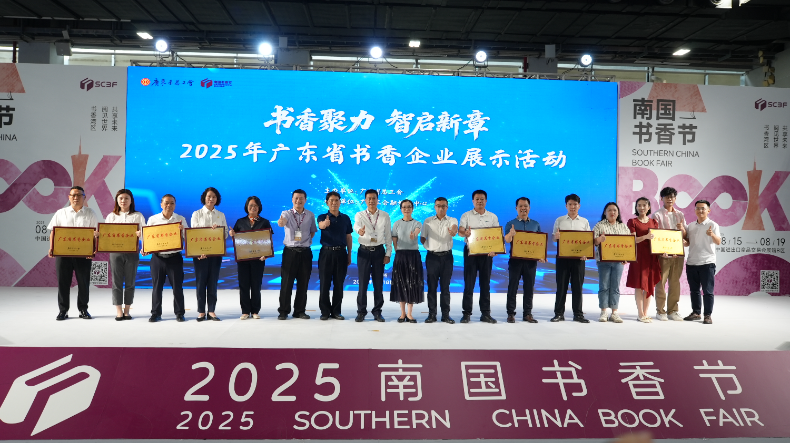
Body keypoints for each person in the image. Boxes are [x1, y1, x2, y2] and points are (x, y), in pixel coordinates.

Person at [47, 185, 100, 321]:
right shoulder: (61, 213)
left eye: (79, 195)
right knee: (63, 283)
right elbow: (53, 232)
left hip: (84, 254)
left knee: (84, 283)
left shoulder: (91, 213)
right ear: (69, 197)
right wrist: (52, 248)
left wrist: (93, 249)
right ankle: (63, 310)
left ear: (84, 197)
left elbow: (96, 234)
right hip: (63, 254)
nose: (76, 197)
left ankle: (83, 309)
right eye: (73, 195)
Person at [144, 194, 188, 322]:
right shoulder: (153, 219)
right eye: (166, 203)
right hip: (158, 258)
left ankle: (179, 313)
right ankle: (155, 313)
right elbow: (148, 238)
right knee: (157, 287)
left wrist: (183, 230)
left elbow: (188, 238)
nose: (169, 205)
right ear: (161, 204)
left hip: (175, 258)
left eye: (172, 203)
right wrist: (145, 249)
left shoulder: (180, 219)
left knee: (177, 287)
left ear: (175, 205)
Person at [104, 189, 145, 321]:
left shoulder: (138, 216)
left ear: (131, 200)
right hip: (115, 253)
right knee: (116, 282)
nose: (123, 201)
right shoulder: (111, 216)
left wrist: (141, 235)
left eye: (126, 198)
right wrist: (100, 235)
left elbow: (146, 235)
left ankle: (127, 310)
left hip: (132, 252)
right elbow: (106, 235)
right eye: (121, 198)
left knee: (130, 282)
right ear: (117, 200)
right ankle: (118, 311)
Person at [458, 190, 499, 324]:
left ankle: (485, 313)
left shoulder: (492, 216)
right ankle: (466, 313)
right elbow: (460, 231)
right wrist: (465, 232)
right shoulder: (466, 215)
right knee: (469, 283)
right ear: (473, 201)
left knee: (485, 284)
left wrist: (495, 250)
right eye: (477, 199)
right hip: (471, 252)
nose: (479, 201)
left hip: (487, 254)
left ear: (486, 201)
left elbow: (496, 235)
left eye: (482, 199)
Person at [277, 189, 318, 320]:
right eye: (296, 198)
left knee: (303, 283)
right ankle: (283, 311)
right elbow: (282, 222)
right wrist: (281, 222)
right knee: (286, 283)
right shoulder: (286, 213)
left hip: (305, 253)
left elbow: (312, 231)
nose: (298, 200)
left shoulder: (310, 215)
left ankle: (299, 311)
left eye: (301, 198)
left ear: (305, 200)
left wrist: (304, 242)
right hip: (290, 252)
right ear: (292, 199)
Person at [503, 197, 545, 323]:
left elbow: (539, 243)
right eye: (520, 206)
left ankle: (527, 313)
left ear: (529, 208)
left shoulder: (535, 224)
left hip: (531, 262)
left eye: (525, 206)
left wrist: (541, 255)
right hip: (515, 260)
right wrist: (511, 234)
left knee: (529, 287)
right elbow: (506, 240)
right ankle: (511, 313)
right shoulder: (510, 224)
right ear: (516, 208)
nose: (523, 208)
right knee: (513, 287)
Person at [229, 196, 271, 320]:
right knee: (244, 285)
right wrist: (232, 234)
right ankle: (245, 311)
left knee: (256, 285)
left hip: (258, 259)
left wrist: (266, 254)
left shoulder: (264, 222)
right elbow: (236, 237)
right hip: (243, 259)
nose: (253, 207)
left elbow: (268, 239)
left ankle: (255, 311)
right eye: (251, 205)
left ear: (259, 207)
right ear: (247, 207)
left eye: (255, 205)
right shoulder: (240, 222)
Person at [551, 193, 591, 323]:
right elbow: (553, 238)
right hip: (563, 258)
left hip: (579, 259)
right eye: (570, 204)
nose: (572, 207)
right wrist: (556, 237)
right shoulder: (559, 220)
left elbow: (588, 241)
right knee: (561, 287)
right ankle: (559, 314)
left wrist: (587, 254)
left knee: (577, 287)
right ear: (566, 206)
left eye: (575, 204)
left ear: (579, 206)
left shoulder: (584, 222)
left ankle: (578, 314)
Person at [354, 189, 392, 322]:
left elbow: (388, 236)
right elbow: (356, 226)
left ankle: (377, 312)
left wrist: (388, 253)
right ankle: (361, 312)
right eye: (369, 198)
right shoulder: (360, 215)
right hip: (363, 252)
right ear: (365, 200)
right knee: (362, 284)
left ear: (377, 200)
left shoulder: (385, 216)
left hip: (379, 252)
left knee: (378, 284)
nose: (371, 201)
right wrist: (359, 231)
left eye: (374, 198)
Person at [191, 187, 228, 322]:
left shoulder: (221, 215)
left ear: (217, 199)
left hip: (215, 253)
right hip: (200, 254)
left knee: (213, 282)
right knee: (201, 282)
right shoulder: (197, 214)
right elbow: (194, 233)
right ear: (204, 198)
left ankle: (211, 311)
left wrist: (218, 230)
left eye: (214, 197)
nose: (211, 199)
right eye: (209, 196)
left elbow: (225, 234)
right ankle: (201, 311)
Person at [651, 187, 687, 321]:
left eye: (672, 197)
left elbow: (685, 234)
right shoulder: (657, 215)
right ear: (662, 199)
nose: (670, 199)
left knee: (675, 282)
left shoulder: (680, 215)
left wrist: (682, 229)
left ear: (675, 198)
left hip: (678, 254)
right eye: (667, 197)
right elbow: (655, 235)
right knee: (661, 282)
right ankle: (660, 311)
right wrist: (661, 251)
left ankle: (673, 310)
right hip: (663, 254)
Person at [420, 197, 458, 324]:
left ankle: (446, 315)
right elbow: (423, 238)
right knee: (432, 286)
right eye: (438, 206)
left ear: (447, 207)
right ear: (434, 207)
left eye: (443, 206)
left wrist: (453, 231)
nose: (441, 208)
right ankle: (432, 314)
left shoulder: (452, 220)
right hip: (432, 257)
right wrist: (429, 246)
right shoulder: (428, 221)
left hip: (447, 257)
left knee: (445, 287)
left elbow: (454, 228)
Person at [683, 200, 721, 325]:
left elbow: (718, 242)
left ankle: (708, 315)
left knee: (707, 291)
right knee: (694, 290)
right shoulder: (690, 226)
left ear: (708, 210)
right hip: (692, 262)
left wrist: (712, 234)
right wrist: (683, 242)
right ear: (695, 210)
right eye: (698, 208)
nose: (700, 210)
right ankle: (696, 312)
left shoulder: (713, 225)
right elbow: (688, 243)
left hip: (707, 263)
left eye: (703, 208)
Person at [316, 191, 353, 320]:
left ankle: (336, 311)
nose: (334, 203)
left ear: (340, 202)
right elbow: (320, 225)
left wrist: (349, 254)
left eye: (336, 200)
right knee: (324, 283)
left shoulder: (346, 218)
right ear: (327, 202)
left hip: (341, 253)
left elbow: (348, 237)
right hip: (326, 253)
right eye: (331, 200)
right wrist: (324, 224)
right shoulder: (322, 216)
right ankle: (325, 311)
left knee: (339, 283)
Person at [592, 202, 630, 323]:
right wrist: (599, 239)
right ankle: (603, 312)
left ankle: (614, 312)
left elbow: (628, 244)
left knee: (615, 286)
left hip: (619, 262)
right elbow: (593, 241)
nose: (612, 212)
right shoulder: (599, 225)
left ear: (618, 213)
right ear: (605, 212)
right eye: (609, 210)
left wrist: (626, 257)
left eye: (614, 210)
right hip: (603, 261)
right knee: (604, 286)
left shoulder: (623, 227)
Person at [626, 197, 661, 323]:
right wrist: (646, 236)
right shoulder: (632, 221)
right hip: (639, 258)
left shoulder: (654, 222)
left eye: (644, 205)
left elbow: (658, 240)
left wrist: (663, 250)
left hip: (651, 257)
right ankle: (640, 314)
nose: (641, 208)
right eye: (639, 205)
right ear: (636, 207)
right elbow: (633, 240)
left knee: (649, 285)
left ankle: (646, 313)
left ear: (649, 207)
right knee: (639, 286)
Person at [390, 199, 425, 323]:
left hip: (413, 256)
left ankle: (409, 314)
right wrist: (396, 249)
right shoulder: (397, 223)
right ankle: (402, 313)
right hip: (400, 255)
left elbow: (417, 230)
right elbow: (394, 238)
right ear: (401, 209)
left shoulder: (417, 223)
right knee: (401, 283)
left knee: (412, 283)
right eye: (404, 207)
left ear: (412, 209)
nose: (406, 209)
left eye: (409, 207)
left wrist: (414, 235)